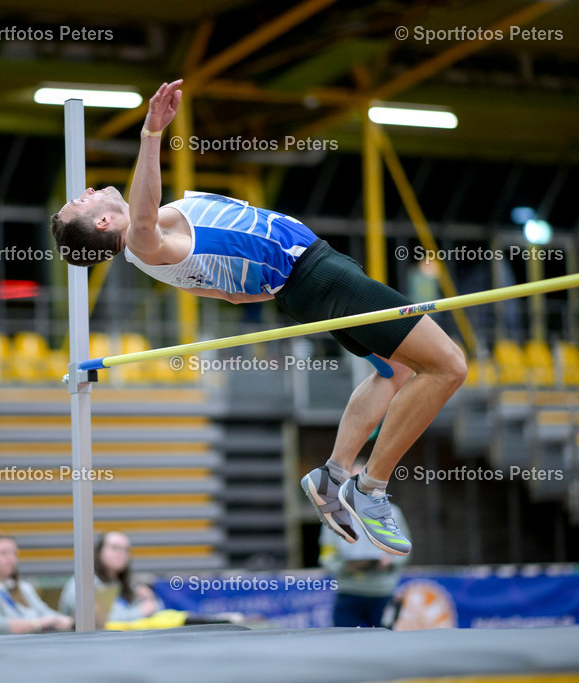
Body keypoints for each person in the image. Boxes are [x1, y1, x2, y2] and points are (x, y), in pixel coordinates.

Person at [50, 80, 466, 556]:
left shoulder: (161, 235)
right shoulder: (143, 242)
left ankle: (332, 475)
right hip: (318, 276)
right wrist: (150, 133)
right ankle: (369, 488)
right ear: (103, 224)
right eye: (79, 202)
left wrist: (267, 280)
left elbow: (232, 296)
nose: (85, 190)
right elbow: (144, 223)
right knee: (449, 365)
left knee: (397, 371)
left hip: (310, 281)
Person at [319, 462, 411, 627]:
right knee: (346, 647)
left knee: (384, 647)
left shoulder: (392, 513)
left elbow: (405, 551)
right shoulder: (334, 516)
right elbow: (326, 557)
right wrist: (344, 566)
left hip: (382, 593)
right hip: (349, 593)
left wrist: (390, 561)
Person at [0, 535, 74, 635]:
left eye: (14, 553)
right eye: (3, 553)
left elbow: (45, 612)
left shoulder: (22, 588)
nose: (11, 559)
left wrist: (73, 622)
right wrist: (38, 624)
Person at [58, 532, 162, 623]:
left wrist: (148, 598)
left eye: (126, 549)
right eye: (115, 547)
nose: (121, 553)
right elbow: (102, 620)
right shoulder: (84, 582)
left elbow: (156, 607)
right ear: (99, 551)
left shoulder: (122, 582)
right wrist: (141, 611)